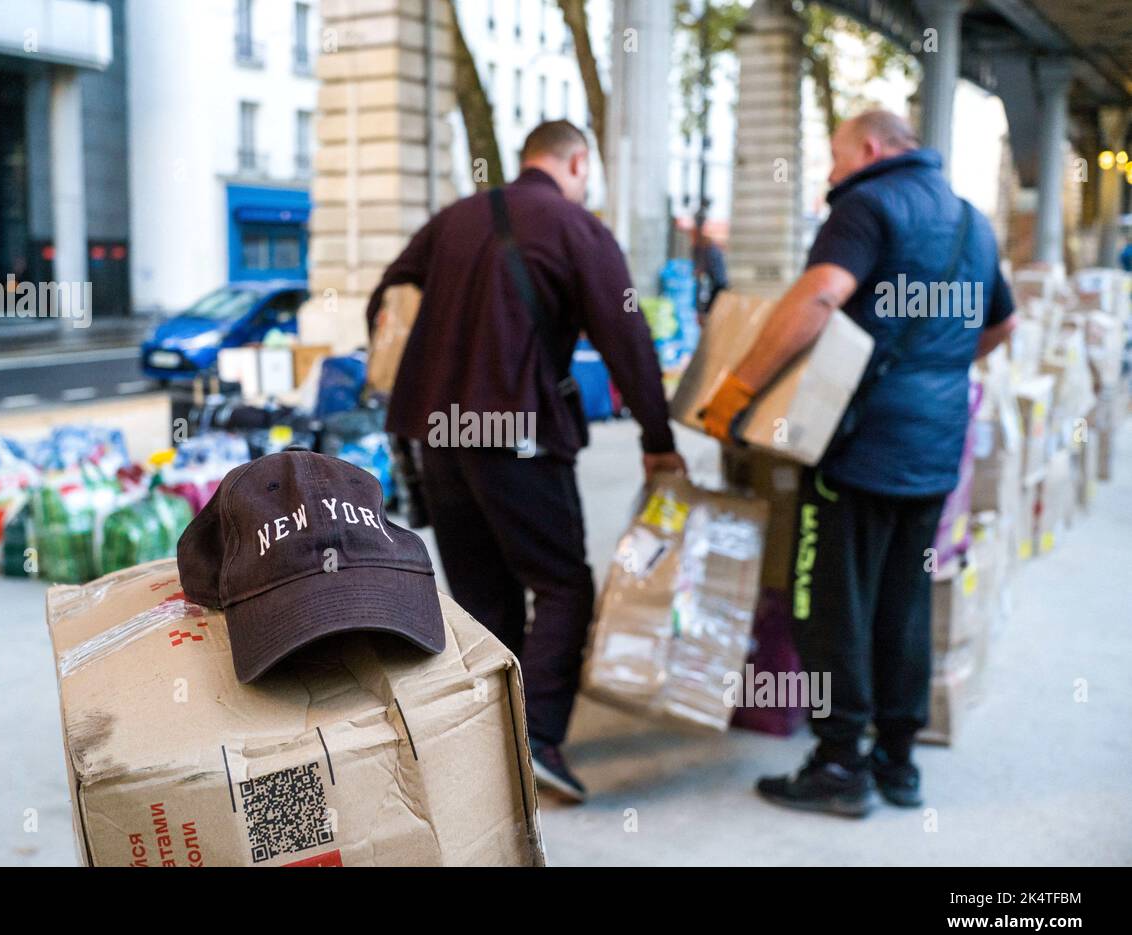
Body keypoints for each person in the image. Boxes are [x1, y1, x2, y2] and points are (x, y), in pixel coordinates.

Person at [698, 110, 1017, 817]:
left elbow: (818, 295)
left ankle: (840, 762)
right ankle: (897, 761)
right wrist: (932, 376)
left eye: (835, 159)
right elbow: (1002, 325)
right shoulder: (972, 222)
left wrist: (738, 391)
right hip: (935, 448)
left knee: (829, 600)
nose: (830, 175)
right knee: (904, 601)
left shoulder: (868, 204)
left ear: (870, 149)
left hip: (858, 446)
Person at [366, 120, 685, 802]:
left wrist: (408, 377)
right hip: (516, 433)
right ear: (576, 162)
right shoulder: (577, 229)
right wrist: (659, 441)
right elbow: (626, 336)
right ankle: (537, 738)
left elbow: (388, 296)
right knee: (563, 583)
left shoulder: (451, 220)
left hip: (437, 438)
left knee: (483, 598)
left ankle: (489, 743)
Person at [692, 205, 728, 321]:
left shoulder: (706, 247)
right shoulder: (705, 246)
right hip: (716, 282)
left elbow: (703, 271)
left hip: (717, 283)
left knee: (710, 313)